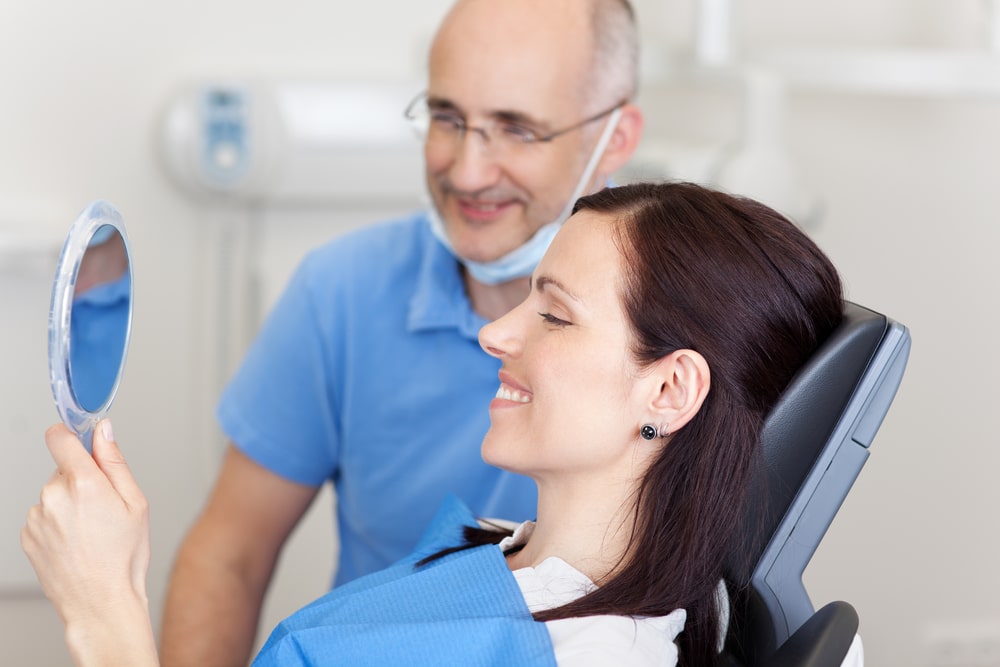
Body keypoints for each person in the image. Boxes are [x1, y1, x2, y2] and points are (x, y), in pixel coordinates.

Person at [23, 181, 861, 666]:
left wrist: (105, 610)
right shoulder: (502, 549)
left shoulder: (565, 654)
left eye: (555, 316)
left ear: (670, 390)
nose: (497, 334)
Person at [158, 0, 644, 664]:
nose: (469, 172)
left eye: (517, 129)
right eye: (447, 117)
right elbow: (229, 554)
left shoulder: (696, 314)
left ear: (615, 136)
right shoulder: (342, 292)